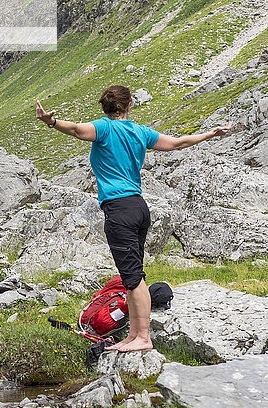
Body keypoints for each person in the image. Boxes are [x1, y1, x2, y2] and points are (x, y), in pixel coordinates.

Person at [36, 85, 232, 352]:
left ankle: (143, 337)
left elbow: (76, 130)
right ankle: (133, 334)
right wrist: (210, 133)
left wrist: (52, 122)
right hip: (139, 208)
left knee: (133, 278)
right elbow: (176, 143)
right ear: (129, 105)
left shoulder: (104, 129)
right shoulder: (140, 132)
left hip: (119, 211)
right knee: (131, 276)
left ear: (104, 108)